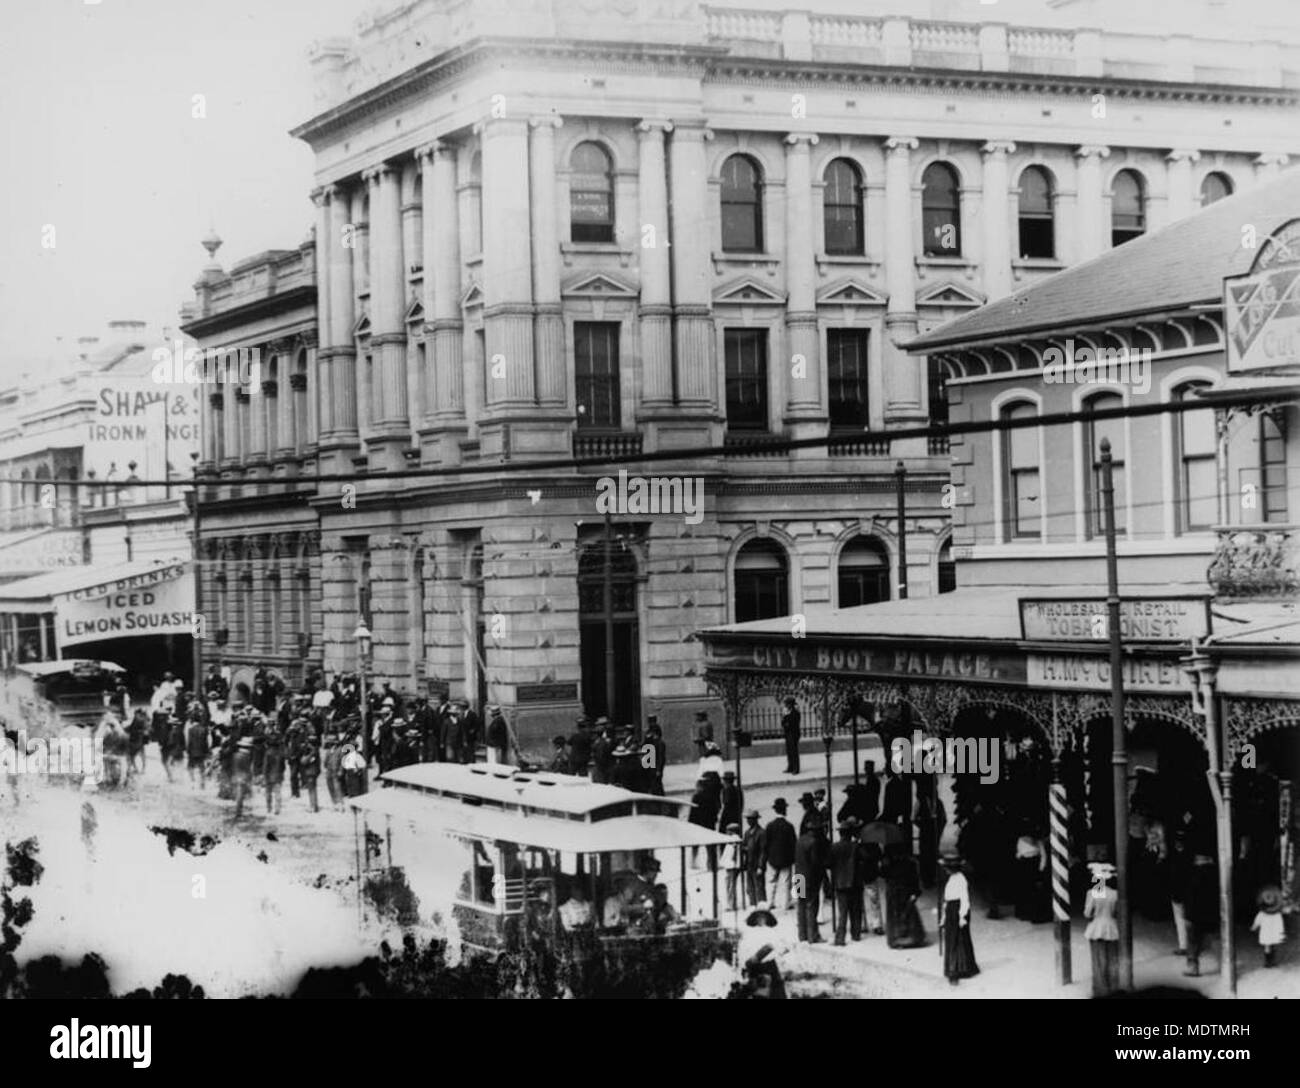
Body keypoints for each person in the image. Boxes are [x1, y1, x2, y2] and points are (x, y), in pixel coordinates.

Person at [940, 854, 979, 985]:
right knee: (951, 939)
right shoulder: (951, 879)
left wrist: (962, 916)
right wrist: (944, 916)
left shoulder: (961, 880)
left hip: (958, 910)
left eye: (947, 868)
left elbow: (964, 899)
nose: (945, 870)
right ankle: (955, 967)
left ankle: (956, 971)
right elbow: (947, 900)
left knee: (958, 940)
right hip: (951, 910)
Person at [1084, 861, 1119, 995]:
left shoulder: (1092, 893)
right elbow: (1116, 912)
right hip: (1111, 927)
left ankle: (1099, 989)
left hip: (1096, 928)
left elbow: (1087, 914)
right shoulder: (1115, 894)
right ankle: (1113, 987)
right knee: (1112, 959)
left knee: (1098, 961)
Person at [882, 843, 927, 949]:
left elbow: (884, 875)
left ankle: (897, 939)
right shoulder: (910, 863)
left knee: (896, 916)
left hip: (894, 893)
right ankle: (912, 938)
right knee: (909, 915)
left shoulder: (889, 864)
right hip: (905, 892)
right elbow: (914, 879)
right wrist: (915, 893)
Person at [794, 816, 829, 943]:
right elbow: (815, 863)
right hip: (810, 878)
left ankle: (802, 934)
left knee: (801, 905)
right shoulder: (814, 842)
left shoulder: (800, 840)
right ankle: (813, 935)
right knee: (811, 906)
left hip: (798, 876)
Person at [831, 821, 864, 945]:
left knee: (843, 912)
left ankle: (840, 938)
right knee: (856, 911)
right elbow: (864, 858)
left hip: (840, 883)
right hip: (855, 883)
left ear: (840, 833)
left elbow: (828, 863)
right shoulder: (856, 846)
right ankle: (856, 934)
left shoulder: (834, 847)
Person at [1013, 823, 1051, 923]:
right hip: (1032, 865)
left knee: (1027, 891)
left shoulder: (1022, 840)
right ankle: (1030, 914)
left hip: (1026, 865)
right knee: (1032, 891)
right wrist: (1041, 869)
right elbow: (1043, 856)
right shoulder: (1037, 842)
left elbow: (1018, 854)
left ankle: (1025, 914)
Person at [764, 798, 796, 910]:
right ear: (784, 810)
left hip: (772, 858)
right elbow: (793, 844)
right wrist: (793, 858)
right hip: (786, 859)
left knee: (771, 882)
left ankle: (770, 902)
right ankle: (785, 904)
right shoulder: (789, 826)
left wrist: (767, 856)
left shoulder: (769, 826)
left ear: (775, 810)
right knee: (786, 882)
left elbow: (766, 843)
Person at [1251, 886, 1285, 968]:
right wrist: (1281, 932)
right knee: (1273, 946)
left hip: (1266, 933)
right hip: (1274, 933)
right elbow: (1280, 924)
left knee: (1267, 947)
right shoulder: (1277, 914)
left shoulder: (1262, 914)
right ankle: (1273, 961)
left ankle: (1268, 962)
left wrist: (1253, 927)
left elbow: (1257, 922)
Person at [742, 809, 766, 908]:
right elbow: (744, 846)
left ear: (755, 820)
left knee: (759, 886)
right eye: (747, 819)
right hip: (749, 864)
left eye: (750, 819)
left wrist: (761, 866)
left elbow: (763, 851)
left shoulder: (761, 833)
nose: (748, 821)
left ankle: (761, 905)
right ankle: (752, 905)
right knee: (750, 887)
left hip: (757, 864)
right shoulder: (747, 833)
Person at [264, 728, 286, 815]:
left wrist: (265, 774)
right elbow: (283, 766)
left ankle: (269, 807)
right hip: (278, 775)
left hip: (269, 775)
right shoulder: (280, 753)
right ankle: (277, 809)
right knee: (278, 793)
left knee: (268, 793)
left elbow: (266, 766)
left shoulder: (268, 753)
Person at [721, 824, 744, 910]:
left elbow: (731, 854)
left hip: (731, 866)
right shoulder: (735, 839)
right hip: (732, 866)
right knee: (730, 885)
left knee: (730, 886)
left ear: (732, 831)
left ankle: (731, 905)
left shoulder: (733, 840)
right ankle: (731, 904)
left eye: (728, 831)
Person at [642, 719, 666, 795]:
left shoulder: (660, 743)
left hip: (656, 767)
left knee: (657, 785)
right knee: (653, 785)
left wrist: (659, 770)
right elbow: (645, 747)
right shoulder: (651, 741)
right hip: (651, 765)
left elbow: (660, 757)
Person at [231, 738, 254, 819]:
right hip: (244, 777)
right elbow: (248, 769)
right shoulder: (246, 756)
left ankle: (239, 812)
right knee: (241, 796)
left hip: (236, 776)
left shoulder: (236, 755)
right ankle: (239, 813)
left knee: (239, 795)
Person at [185, 715, 209, 790]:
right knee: (202, 768)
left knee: (190, 767)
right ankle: (202, 783)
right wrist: (206, 751)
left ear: (193, 721)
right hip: (201, 751)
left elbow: (189, 741)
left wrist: (188, 751)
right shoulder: (204, 729)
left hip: (192, 751)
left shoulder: (191, 729)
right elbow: (206, 742)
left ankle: (192, 782)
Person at [299, 735, 322, 813]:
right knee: (312, 789)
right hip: (313, 771)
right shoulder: (315, 751)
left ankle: (313, 806)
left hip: (311, 772)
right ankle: (314, 805)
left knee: (311, 790)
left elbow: (304, 761)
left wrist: (305, 756)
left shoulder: (313, 752)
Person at [590, 720, 615, 784]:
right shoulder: (600, 742)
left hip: (601, 766)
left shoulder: (602, 742)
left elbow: (600, 755)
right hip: (601, 765)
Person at [780, 696, 801, 774]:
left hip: (794, 734)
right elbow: (783, 723)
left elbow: (793, 723)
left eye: (786, 704)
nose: (785, 705)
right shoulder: (786, 712)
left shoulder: (795, 712)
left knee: (794, 751)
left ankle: (796, 768)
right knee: (789, 751)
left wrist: (786, 722)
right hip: (788, 733)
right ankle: (790, 767)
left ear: (790, 704)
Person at [323, 736, 345, 809]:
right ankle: (334, 802)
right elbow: (325, 762)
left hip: (336, 771)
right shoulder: (328, 751)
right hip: (329, 770)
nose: (331, 744)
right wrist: (326, 766)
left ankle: (340, 803)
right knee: (330, 787)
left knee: (337, 787)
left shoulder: (340, 750)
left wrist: (340, 770)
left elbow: (342, 762)